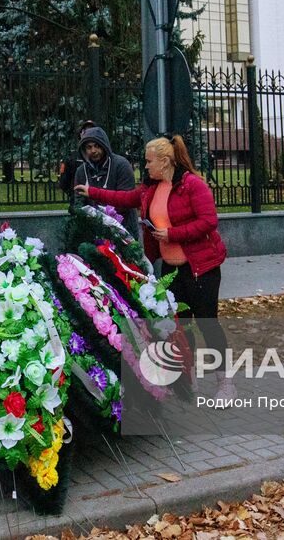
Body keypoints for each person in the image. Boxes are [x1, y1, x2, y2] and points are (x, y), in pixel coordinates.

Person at [78, 135, 230, 392]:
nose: (145, 166)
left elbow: (208, 221)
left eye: (149, 161)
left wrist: (173, 234)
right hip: (171, 270)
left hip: (200, 269)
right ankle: (187, 378)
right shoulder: (151, 188)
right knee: (179, 326)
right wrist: (91, 192)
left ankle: (224, 382)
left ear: (165, 161)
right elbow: (125, 199)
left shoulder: (192, 185)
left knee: (207, 324)